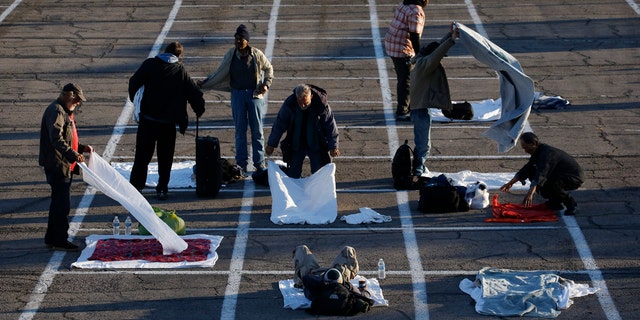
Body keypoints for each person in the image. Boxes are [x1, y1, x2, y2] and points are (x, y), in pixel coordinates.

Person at [128, 42, 205, 200]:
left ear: (165, 52)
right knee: (165, 157)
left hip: (148, 120)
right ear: (179, 56)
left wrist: (135, 100)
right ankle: (162, 188)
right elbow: (193, 92)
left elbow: (134, 82)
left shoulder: (150, 64)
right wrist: (199, 108)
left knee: (142, 156)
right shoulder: (179, 70)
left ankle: (135, 188)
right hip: (167, 123)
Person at [198, 24, 274, 175]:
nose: (238, 42)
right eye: (236, 39)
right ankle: (241, 164)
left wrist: (266, 84)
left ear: (247, 40)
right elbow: (219, 72)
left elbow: (269, 68)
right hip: (237, 95)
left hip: (255, 96)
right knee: (240, 131)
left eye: (240, 39)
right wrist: (205, 83)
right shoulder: (231, 55)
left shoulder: (256, 54)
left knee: (257, 131)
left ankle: (259, 163)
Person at [39, 83, 93, 251]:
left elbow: (67, 138)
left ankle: (52, 237)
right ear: (68, 96)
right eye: (76, 99)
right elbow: (56, 139)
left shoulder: (63, 111)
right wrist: (74, 155)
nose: (77, 103)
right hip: (58, 164)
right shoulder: (57, 111)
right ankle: (60, 239)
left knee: (57, 203)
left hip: (62, 163)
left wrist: (81, 147)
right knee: (62, 204)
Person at [409, 23, 458, 180]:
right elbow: (437, 54)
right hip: (420, 109)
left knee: (423, 141)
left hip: (420, 107)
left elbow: (436, 49)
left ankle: (419, 166)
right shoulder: (425, 64)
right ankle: (418, 168)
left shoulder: (421, 59)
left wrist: (449, 35)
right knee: (424, 144)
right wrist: (451, 41)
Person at [500, 132, 585, 215]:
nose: (525, 151)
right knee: (532, 173)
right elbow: (527, 168)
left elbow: (541, 174)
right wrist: (511, 182)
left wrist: (530, 193)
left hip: (573, 178)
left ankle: (572, 205)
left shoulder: (548, 154)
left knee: (551, 183)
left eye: (526, 148)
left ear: (533, 143)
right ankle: (555, 202)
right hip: (559, 174)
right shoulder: (538, 151)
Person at [265, 84, 339, 178]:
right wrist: (271, 144)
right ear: (296, 98)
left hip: (316, 143)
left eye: (305, 103)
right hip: (296, 143)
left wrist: (334, 146)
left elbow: (330, 126)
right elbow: (279, 124)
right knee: (293, 174)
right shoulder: (290, 104)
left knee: (319, 173)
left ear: (311, 97)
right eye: (300, 103)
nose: (303, 105)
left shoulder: (321, 105)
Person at [292, 245, 374, 316]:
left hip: (316, 274)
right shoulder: (345, 287)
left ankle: (299, 281)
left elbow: (307, 278)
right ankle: (350, 272)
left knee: (301, 249)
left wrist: (321, 275)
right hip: (334, 276)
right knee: (348, 250)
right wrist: (365, 289)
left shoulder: (316, 287)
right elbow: (362, 296)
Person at [384, 0, 428, 121]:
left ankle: (408, 106)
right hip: (402, 48)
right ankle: (402, 111)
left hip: (392, 44)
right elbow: (414, 36)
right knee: (406, 80)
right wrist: (420, 55)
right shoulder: (416, 11)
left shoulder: (405, 4)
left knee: (404, 78)